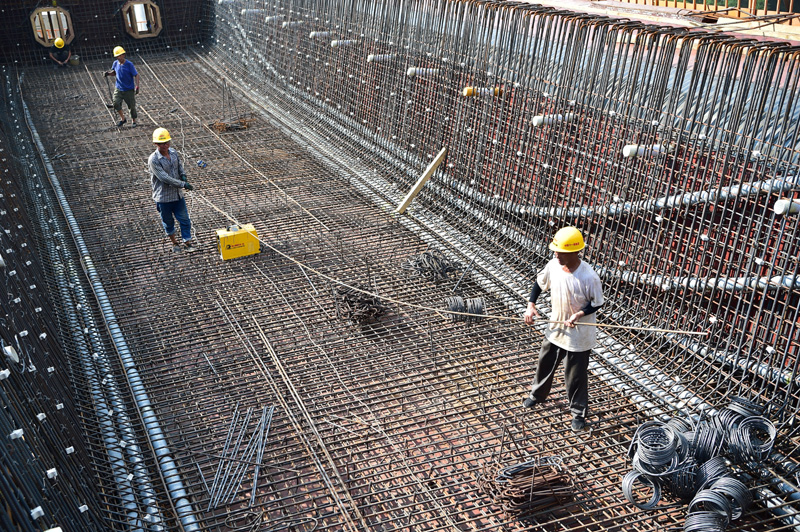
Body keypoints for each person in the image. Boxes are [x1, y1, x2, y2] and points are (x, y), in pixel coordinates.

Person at [522, 226, 604, 432]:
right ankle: (537, 395)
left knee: (575, 375)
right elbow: (540, 284)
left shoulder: (589, 277)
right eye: (556, 251)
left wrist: (579, 314)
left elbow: (597, 303)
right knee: (545, 362)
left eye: (560, 252)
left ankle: (578, 414)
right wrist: (531, 305)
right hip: (556, 326)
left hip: (579, 335)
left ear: (575, 252)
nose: (556, 254)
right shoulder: (553, 265)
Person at [148, 128, 198, 253]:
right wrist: (183, 184)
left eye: (167, 142)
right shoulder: (153, 160)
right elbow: (164, 178)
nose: (166, 145)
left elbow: (179, 165)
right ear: (156, 144)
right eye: (162, 143)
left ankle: (187, 242)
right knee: (168, 222)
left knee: (185, 220)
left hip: (177, 196)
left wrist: (183, 175)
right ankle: (175, 243)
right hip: (163, 198)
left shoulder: (174, 152)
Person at [103, 46, 139, 127]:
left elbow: (136, 75)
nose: (118, 57)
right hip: (119, 88)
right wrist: (108, 73)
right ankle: (123, 119)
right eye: (117, 56)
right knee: (115, 103)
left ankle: (134, 121)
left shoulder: (129, 65)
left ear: (124, 55)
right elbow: (114, 72)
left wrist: (137, 86)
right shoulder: (115, 63)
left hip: (129, 89)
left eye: (120, 55)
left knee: (131, 106)